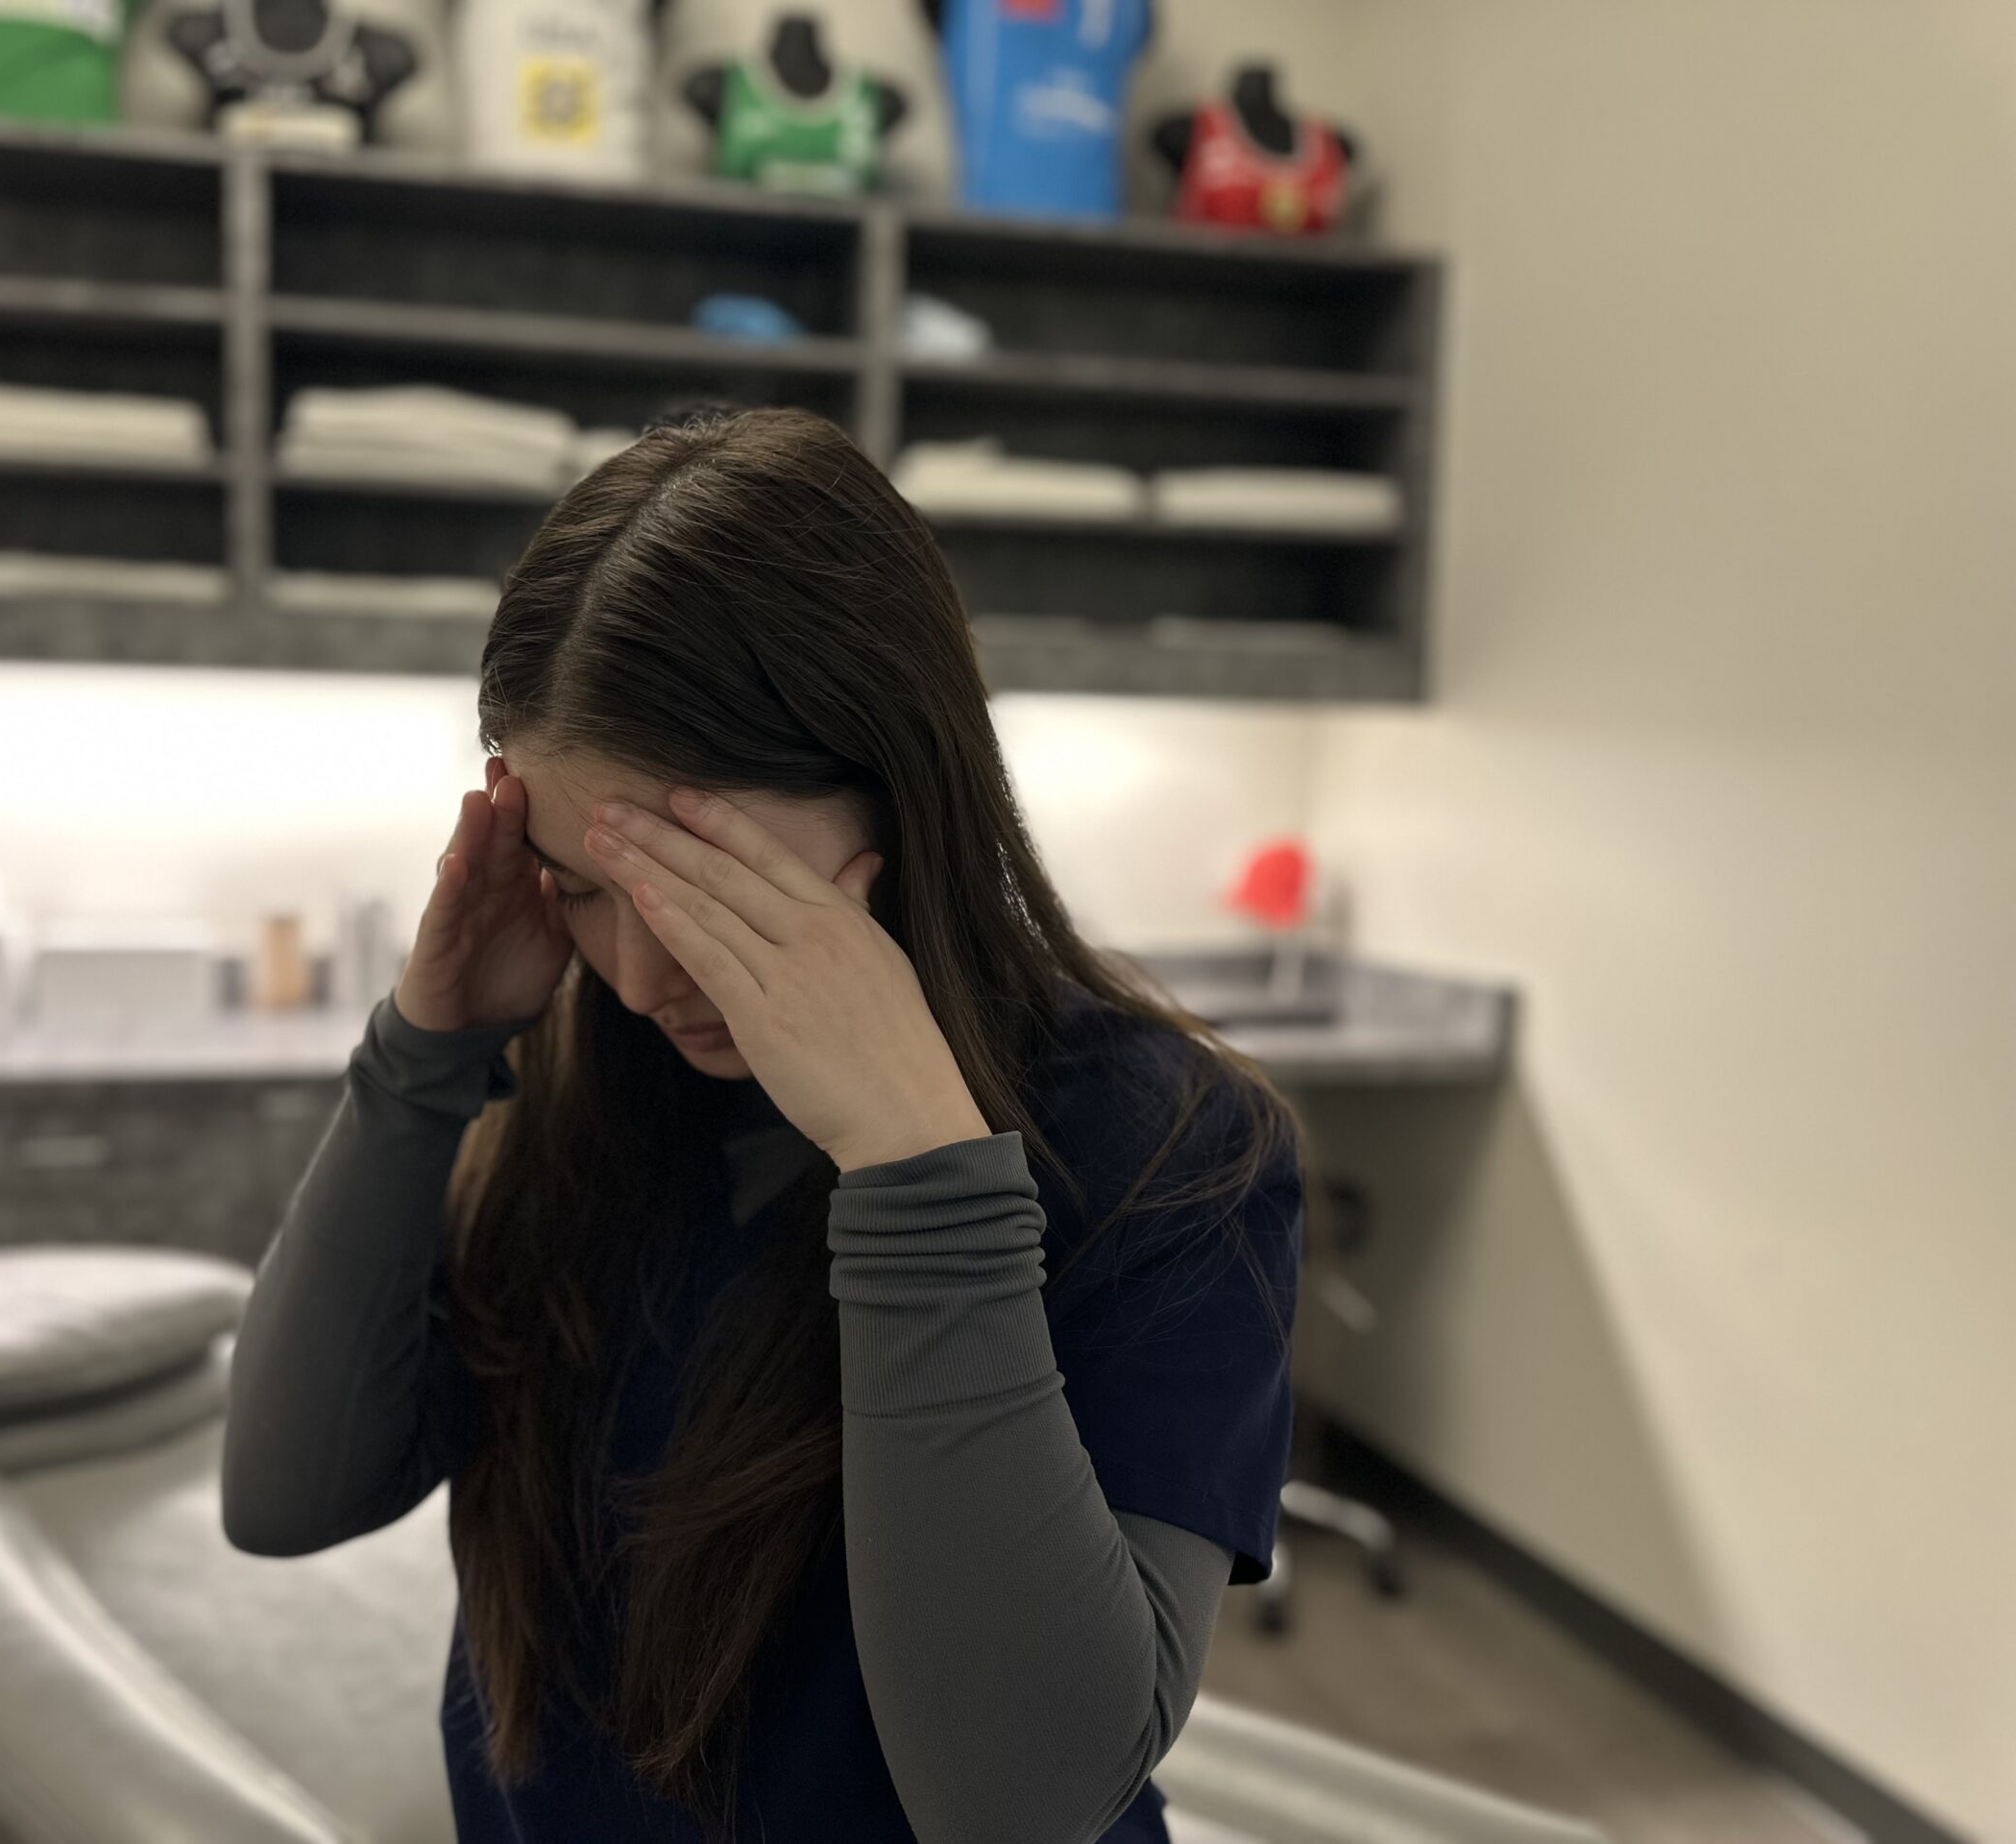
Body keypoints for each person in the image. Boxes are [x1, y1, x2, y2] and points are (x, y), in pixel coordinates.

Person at [221, 405, 1305, 1844]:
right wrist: (421, 1062)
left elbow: (1022, 1802)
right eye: (584, 890)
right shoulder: (585, 1091)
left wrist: (916, 1166)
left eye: (703, 892)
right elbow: (284, 1499)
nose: (638, 975)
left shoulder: (1171, 1151)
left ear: (901, 793)